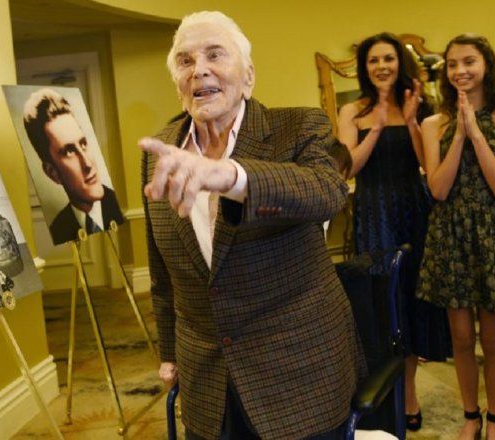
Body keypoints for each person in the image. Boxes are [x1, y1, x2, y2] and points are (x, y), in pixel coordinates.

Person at [141, 11, 363, 439]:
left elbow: (327, 190)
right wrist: (169, 351)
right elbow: (163, 270)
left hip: (299, 374)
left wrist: (230, 176)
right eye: (185, 61)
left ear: (248, 77)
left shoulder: (298, 126)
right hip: (208, 380)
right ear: (178, 85)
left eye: (214, 54)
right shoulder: (161, 151)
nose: (199, 69)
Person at [416, 34, 495, 440]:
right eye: (452, 64)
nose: (460, 70)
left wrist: (476, 132)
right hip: (451, 232)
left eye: (469, 61)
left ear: (487, 65)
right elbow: (438, 188)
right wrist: (459, 135)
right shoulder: (433, 124)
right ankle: (471, 416)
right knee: (461, 339)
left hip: (492, 231)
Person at [336, 32, 452, 431]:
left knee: (411, 305)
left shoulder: (418, 105)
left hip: (414, 212)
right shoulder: (352, 110)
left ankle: (409, 394)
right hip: (373, 215)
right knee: (381, 305)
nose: (382, 66)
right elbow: (347, 168)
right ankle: (382, 394)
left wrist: (412, 119)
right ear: (365, 68)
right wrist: (377, 127)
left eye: (388, 58)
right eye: (373, 60)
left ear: (399, 63)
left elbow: (428, 166)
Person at [22, 88, 125, 244]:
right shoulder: (58, 228)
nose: (87, 163)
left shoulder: (117, 208)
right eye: (69, 151)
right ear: (52, 173)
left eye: (83, 144)